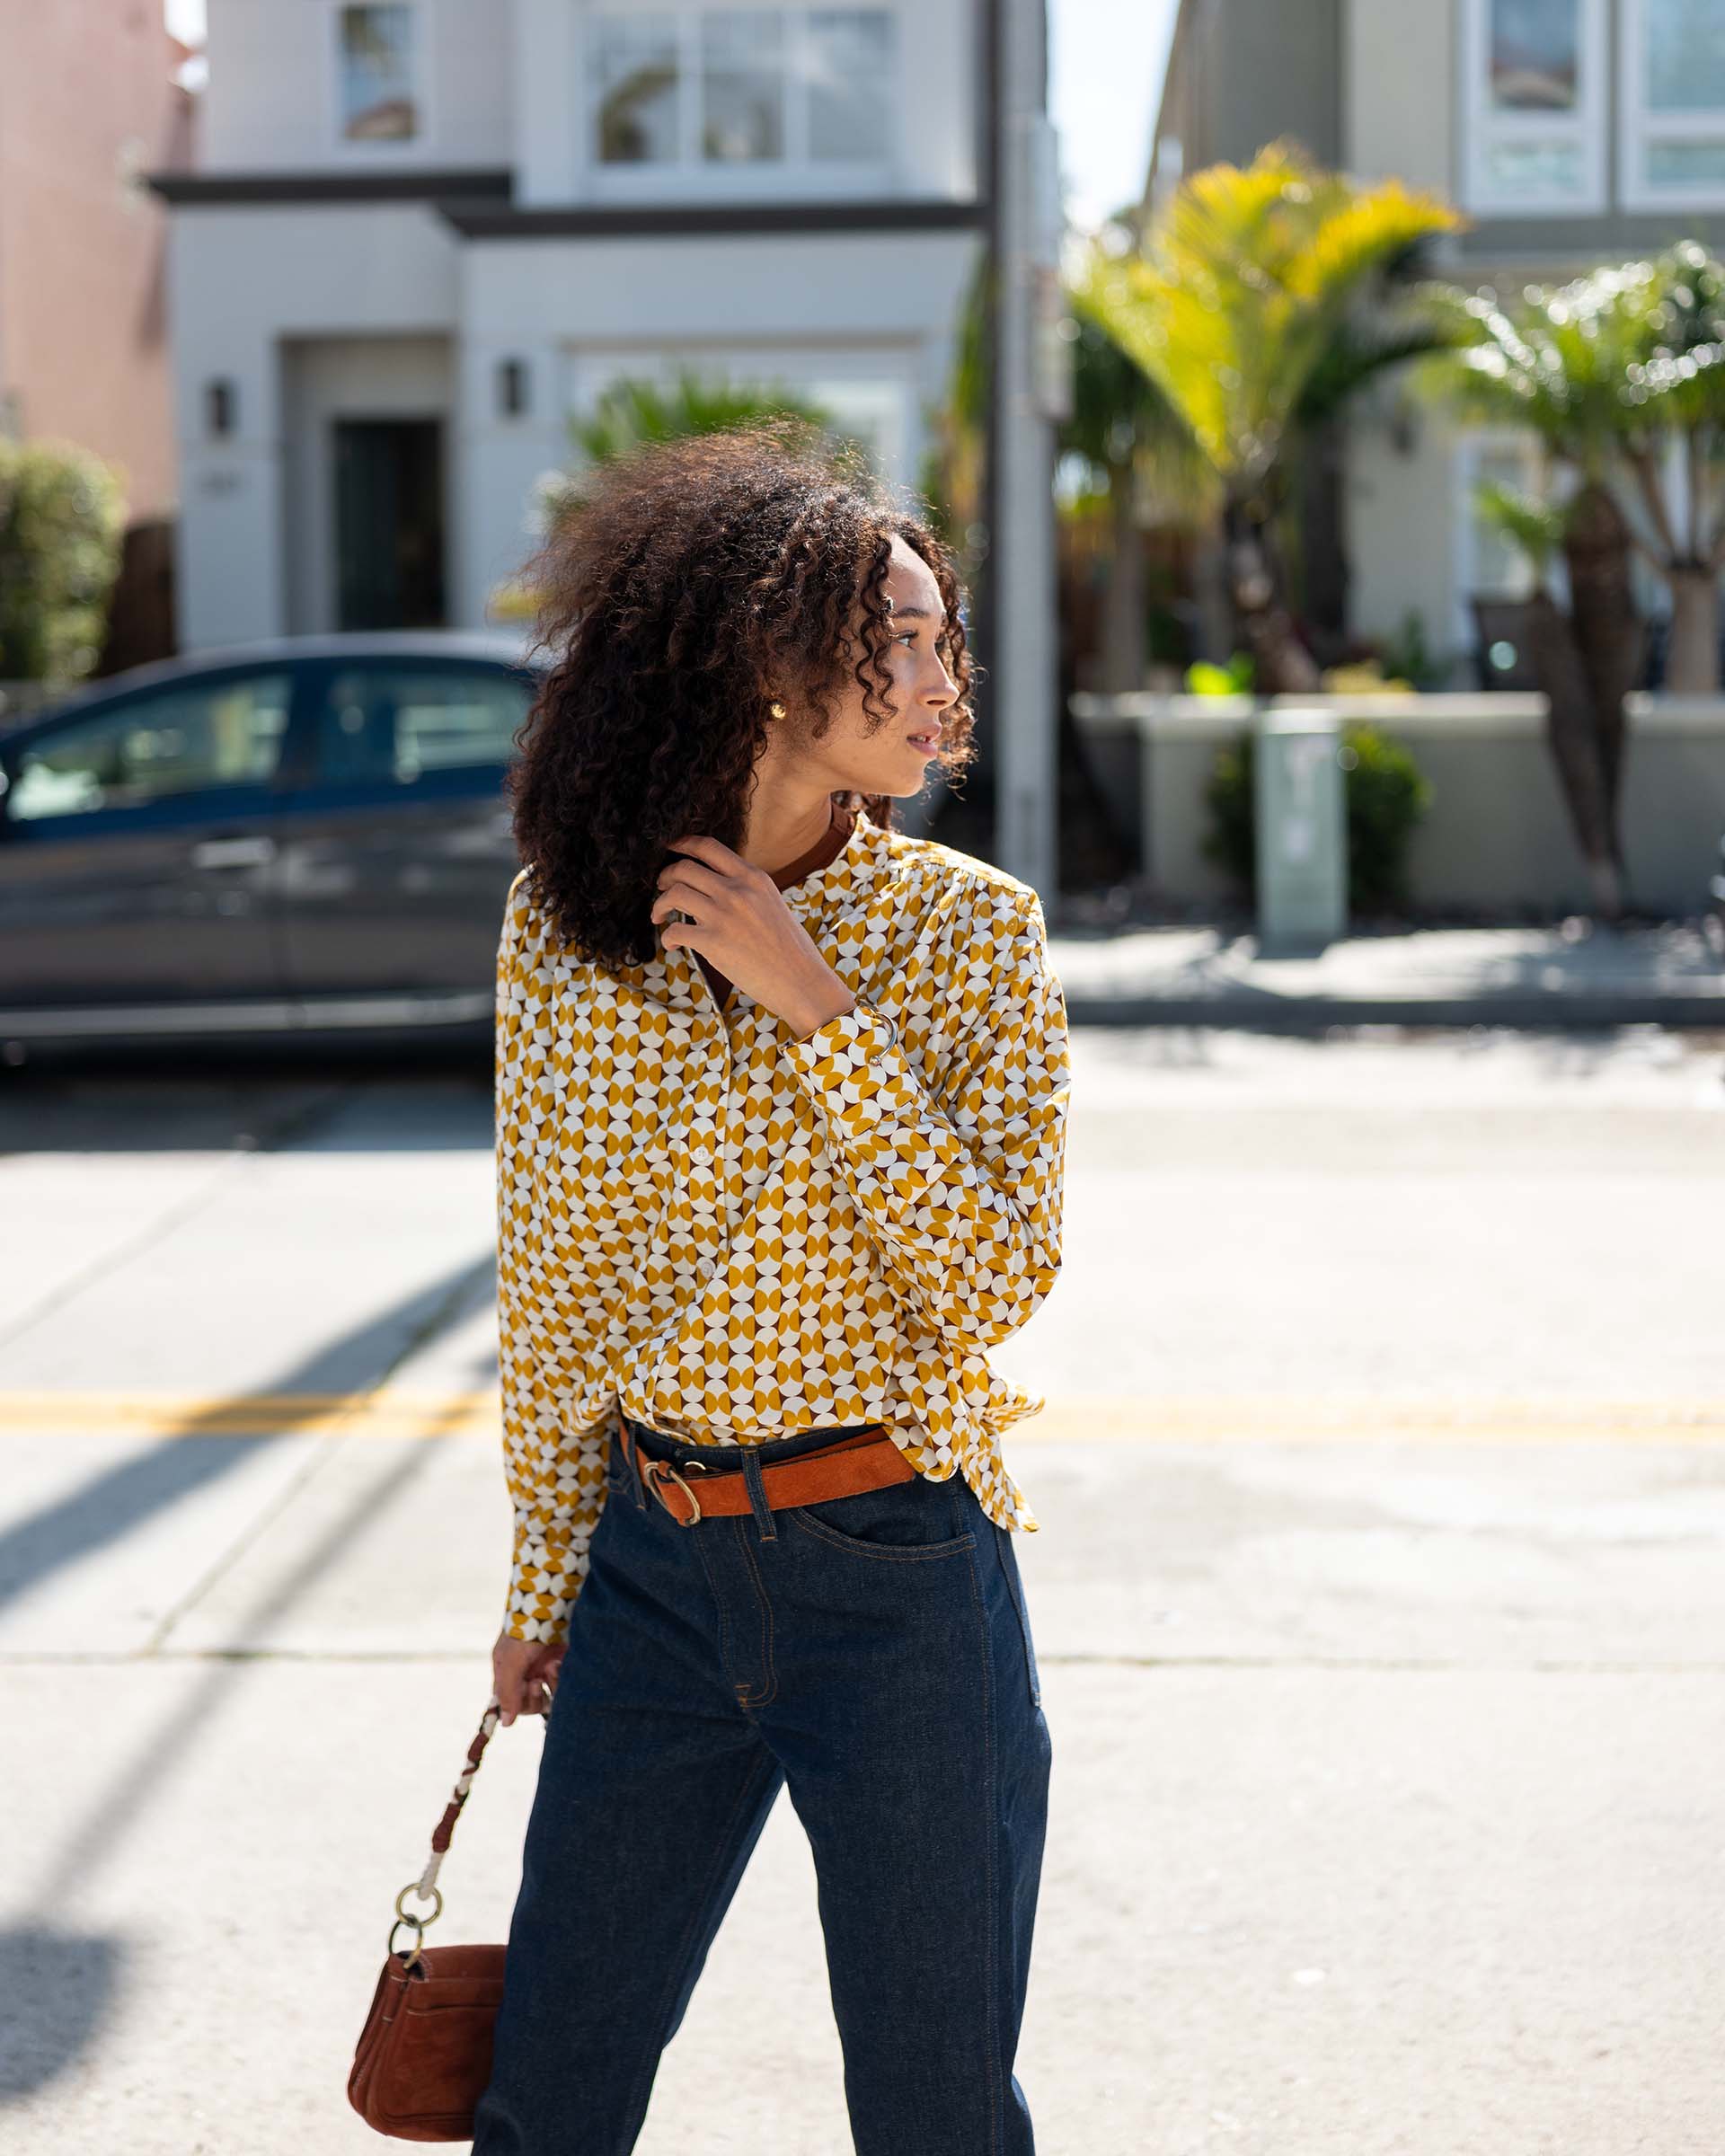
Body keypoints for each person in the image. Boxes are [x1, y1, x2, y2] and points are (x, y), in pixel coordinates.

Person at [470, 422, 1070, 2156]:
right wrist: (545, 1575)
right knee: (547, 2104)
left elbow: (995, 1278)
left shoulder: (970, 933)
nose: (937, 671)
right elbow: (557, 1291)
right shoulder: (565, 928)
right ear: (764, 653)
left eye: (942, 634)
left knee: (936, 2115)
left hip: (900, 1579)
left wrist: (819, 1012)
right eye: (898, 631)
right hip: (655, 1574)